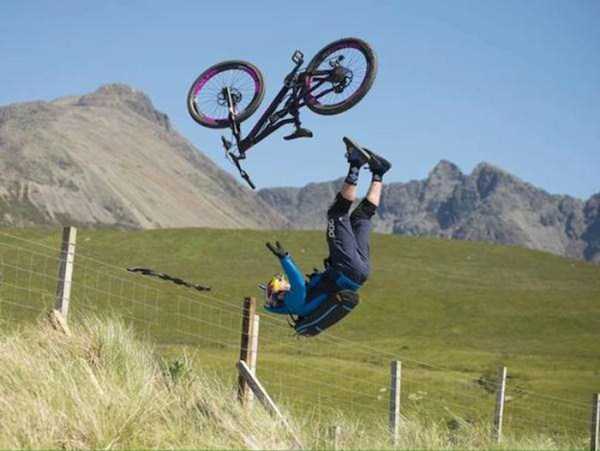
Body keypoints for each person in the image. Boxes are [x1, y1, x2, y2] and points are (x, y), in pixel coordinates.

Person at [264, 136, 391, 335]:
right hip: (346, 268)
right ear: (276, 296)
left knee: (361, 217)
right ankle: (356, 163)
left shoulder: (300, 307)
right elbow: (297, 283)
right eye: (278, 287)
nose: (283, 285)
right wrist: (285, 259)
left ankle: (378, 172)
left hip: (358, 275)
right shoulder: (292, 303)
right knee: (336, 213)